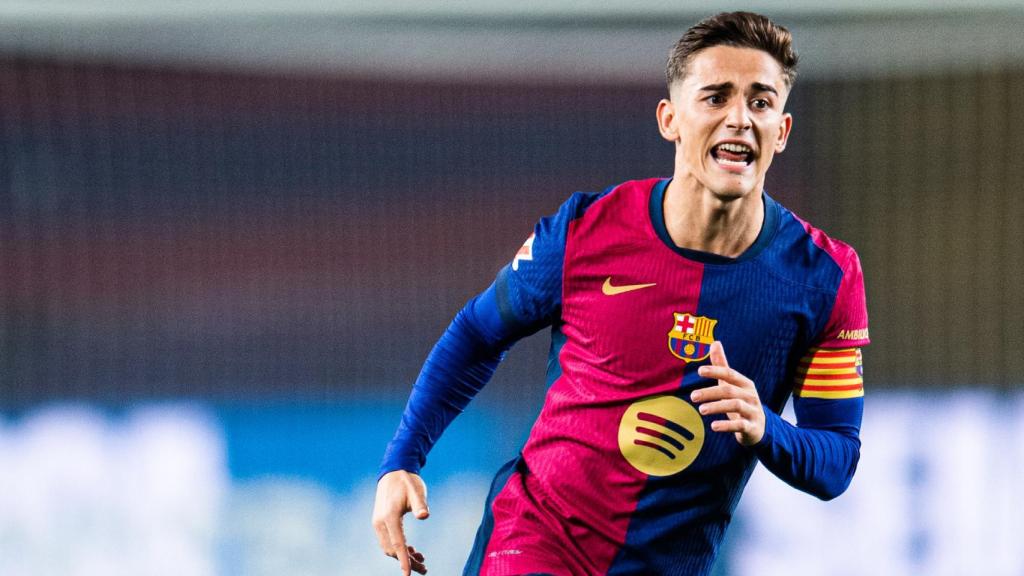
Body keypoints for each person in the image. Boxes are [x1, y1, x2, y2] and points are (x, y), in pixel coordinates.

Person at [372, 11, 869, 576]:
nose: (738, 119)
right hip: (535, 541)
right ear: (670, 119)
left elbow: (836, 461)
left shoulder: (825, 277)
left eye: (759, 102)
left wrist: (765, 427)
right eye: (715, 98)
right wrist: (402, 460)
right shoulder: (585, 230)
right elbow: (478, 333)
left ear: (781, 131)